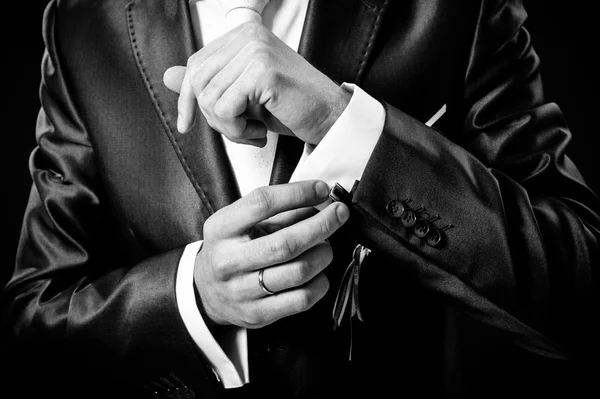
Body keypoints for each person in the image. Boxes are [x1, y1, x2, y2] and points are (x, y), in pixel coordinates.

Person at [2, 0, 598, 397]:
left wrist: (340, 121)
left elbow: (582, 288)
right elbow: (35, 321)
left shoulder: (459, 10)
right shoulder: (83, 22)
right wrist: (192, 298)